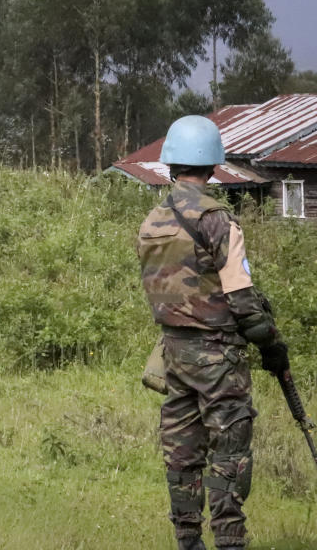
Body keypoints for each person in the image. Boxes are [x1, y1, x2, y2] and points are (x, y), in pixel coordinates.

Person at [136, 115, 291, 550]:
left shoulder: (152, 220)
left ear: (171, 165)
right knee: (228, 454)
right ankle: (230, 543)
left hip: (173, 356)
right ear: (213, 166)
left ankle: (188, 541)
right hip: (218, 358)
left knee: (182, 454)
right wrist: (271, 345)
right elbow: (243, 301)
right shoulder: (217, 220)